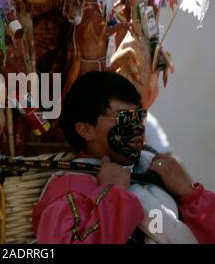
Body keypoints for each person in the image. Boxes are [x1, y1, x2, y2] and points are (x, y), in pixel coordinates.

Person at [32, 71, 215, 244]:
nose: (137, 128)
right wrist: (114, 198)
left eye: (139, 117)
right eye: (124, 118)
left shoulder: (156, 170)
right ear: (86, 130)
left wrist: (191, 197)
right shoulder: (69, 189)